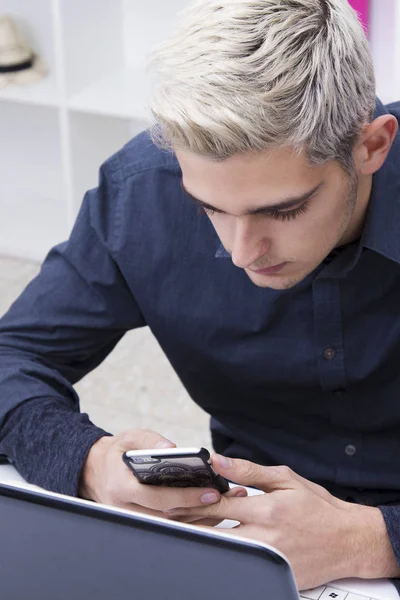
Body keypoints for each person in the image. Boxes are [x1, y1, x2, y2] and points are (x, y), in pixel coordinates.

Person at [0, 0, 400, 592]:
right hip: (246, 540)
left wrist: (374, 539)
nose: (243, 252)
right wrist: (90, 461)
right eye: (209, 208)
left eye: (284, 209)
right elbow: (12, 359)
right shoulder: (143, 194)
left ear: (371, 146)